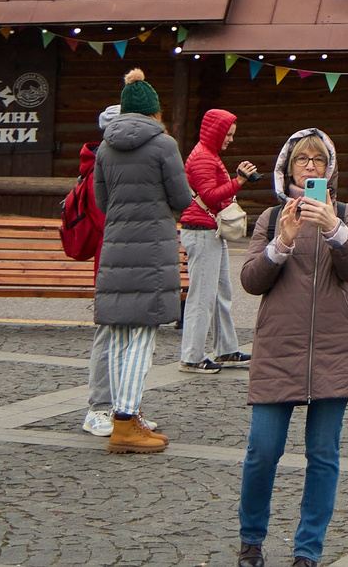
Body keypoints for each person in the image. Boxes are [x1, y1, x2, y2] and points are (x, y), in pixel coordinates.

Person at [236, 126, 348, 567]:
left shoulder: (345, 213)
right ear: (287, 166)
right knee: (262, 450)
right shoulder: (271, 218)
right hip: (279, 348)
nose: (310, 167)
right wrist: (283, 242)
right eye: (301, 160)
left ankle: (307, 551)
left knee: (323, 456)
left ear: (329, 169)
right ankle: (251, 540)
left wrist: (334, 229)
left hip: (334, 348)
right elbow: (252, 280)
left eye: (318, 161)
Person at [93, 69, 193, 454]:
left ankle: (124, 414)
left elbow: (103, 203)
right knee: (142, 337)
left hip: (117, 246)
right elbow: (181, 198)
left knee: (119, 335)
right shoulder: (163, 144)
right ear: (154, 112)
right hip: (152, 248)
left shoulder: (105, 147)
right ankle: (125, 421)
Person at [180, 106, 258, 374]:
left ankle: (225, 349)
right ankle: (191, 356)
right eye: (229, 134)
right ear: (217, 132)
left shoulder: (208, 155)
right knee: (202, 296)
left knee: (221, 292)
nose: (231, 139)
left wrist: (235, 180)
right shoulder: (203, 157)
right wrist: (239, 181)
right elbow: (211, 196)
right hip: (201, 232)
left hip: (210, 231)